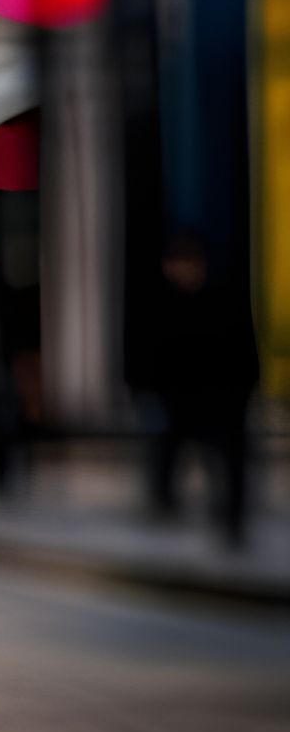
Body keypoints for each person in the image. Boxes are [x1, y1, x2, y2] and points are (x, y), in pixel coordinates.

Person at [148, 232, 259, 545]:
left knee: (229, 462)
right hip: (183, 400)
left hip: (222, 399)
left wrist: (245, 390)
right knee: (170, 451)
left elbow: (242, 350)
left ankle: (231, 522)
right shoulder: (166, 306)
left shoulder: (221, 301)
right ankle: (167, 507)